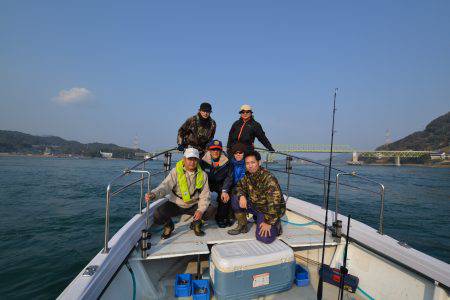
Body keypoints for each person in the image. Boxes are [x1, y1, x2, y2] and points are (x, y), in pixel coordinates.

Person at [145, 147, 212, 239]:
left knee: (210, 210)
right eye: (189, 159)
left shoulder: (203, 175)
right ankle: (169, 225)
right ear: (184, 159)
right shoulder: (175, 172)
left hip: (193, 204)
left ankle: (196, 223)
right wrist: (154, 194)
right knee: (158, 214)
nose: (192, 162)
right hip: (176, 204)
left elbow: (205, 195)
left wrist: (200, 210)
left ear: (198, 160)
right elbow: (165, 186)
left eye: (195, 159)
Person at [228, 150, 286, 244]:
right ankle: (243, 225)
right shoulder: (248, 176)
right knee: (235, 197)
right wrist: (242, 195)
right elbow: (238, 186)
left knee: (264, 238)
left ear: (259, 162)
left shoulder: (269, 179)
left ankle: (276, 225)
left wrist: (269, 222)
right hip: (255, 206)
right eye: (247, 163)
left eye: (253, 162)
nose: (250, 166)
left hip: (267, 210)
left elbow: (275, 203)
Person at [200, 140, 234, 228]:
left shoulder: (227, 161)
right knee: (200, 194)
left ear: (221, 150)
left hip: (220, 185)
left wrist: (225, 190)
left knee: (225, 196)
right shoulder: (202, 161)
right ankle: (200, 217)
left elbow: (229, 177)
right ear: (209, 150)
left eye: (218, 150)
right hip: (206, 184)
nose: (215, 152)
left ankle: (220, 218)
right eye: (213, 149)